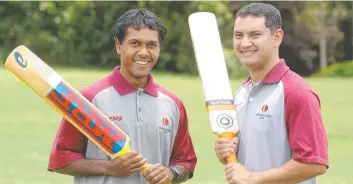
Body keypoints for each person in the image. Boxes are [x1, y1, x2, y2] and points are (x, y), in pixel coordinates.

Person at [47, 8, 197, 184]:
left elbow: (186, 163)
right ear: (119, 45)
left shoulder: (173, 104)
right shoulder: (89, 98)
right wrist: (109, 168)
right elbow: (61, 159)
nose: (143, 52)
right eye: (135, 43)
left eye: (151, 45)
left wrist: (171, 173)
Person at [214, 3, 329, 184]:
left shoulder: (297, 92)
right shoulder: (241, 94)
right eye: (238, 35)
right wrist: (227, 152)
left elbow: (315, 163)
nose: (244, 43)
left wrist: (254, 178)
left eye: (255, 35)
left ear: (276, 37)